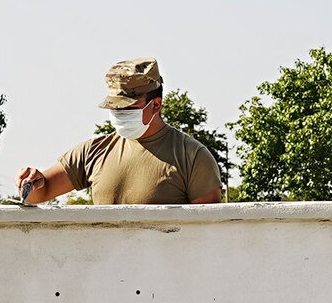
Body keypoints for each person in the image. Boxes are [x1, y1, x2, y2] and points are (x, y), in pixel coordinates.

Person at [18, 59, 224, 206]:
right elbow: (41, 193)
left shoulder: (192, 158)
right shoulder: (92, 152)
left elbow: (206, 236)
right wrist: (32, 182)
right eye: (114, 107)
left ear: (156, 105)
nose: (119, 113)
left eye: (128, 107)